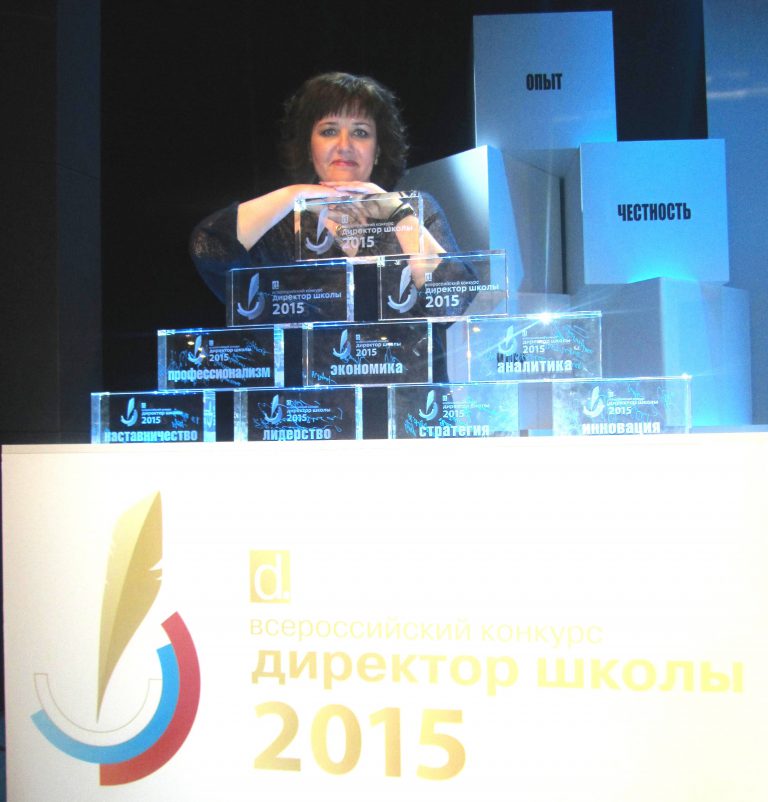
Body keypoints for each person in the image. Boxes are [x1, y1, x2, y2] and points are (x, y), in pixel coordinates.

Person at [189, 71, 462, 304]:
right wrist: (295, 194)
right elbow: (209, 248)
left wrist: (398, 214)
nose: (344, 145)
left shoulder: (414, 208)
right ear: (309, 148)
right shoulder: (280, 224)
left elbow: (450, 300)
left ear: (378, 150)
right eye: (329, 131)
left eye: (360, 132)